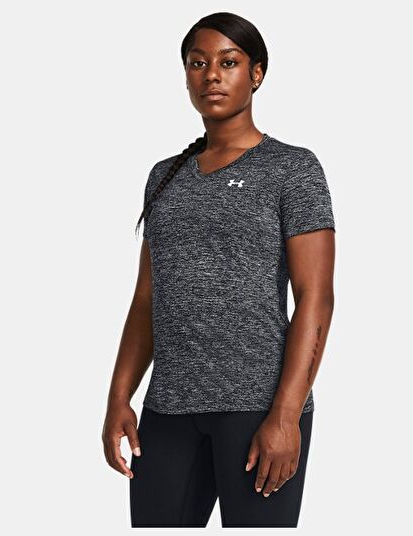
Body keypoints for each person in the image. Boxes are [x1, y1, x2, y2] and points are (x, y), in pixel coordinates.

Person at [102, 12, 336, 528]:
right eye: (198, 63)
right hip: (168, 409)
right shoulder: (164, 177)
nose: (211, 75)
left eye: (228, 63)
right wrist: (120, 397)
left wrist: (286, 416)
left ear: (257, 73)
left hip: (258, 407)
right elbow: (147, 300)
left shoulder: (293, 169)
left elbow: (316, 298)